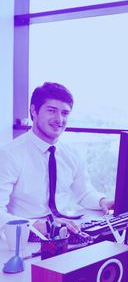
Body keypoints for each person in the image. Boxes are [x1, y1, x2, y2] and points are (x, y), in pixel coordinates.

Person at [0, 82, 113, 235]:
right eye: (52, 111)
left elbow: (84, 193)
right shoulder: (9, 155)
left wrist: (102, 202)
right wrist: (38, 225)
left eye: (65, 113)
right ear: (34, 111)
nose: (59, 119)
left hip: (65, 232)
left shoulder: (72, 154)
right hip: (25, 235)